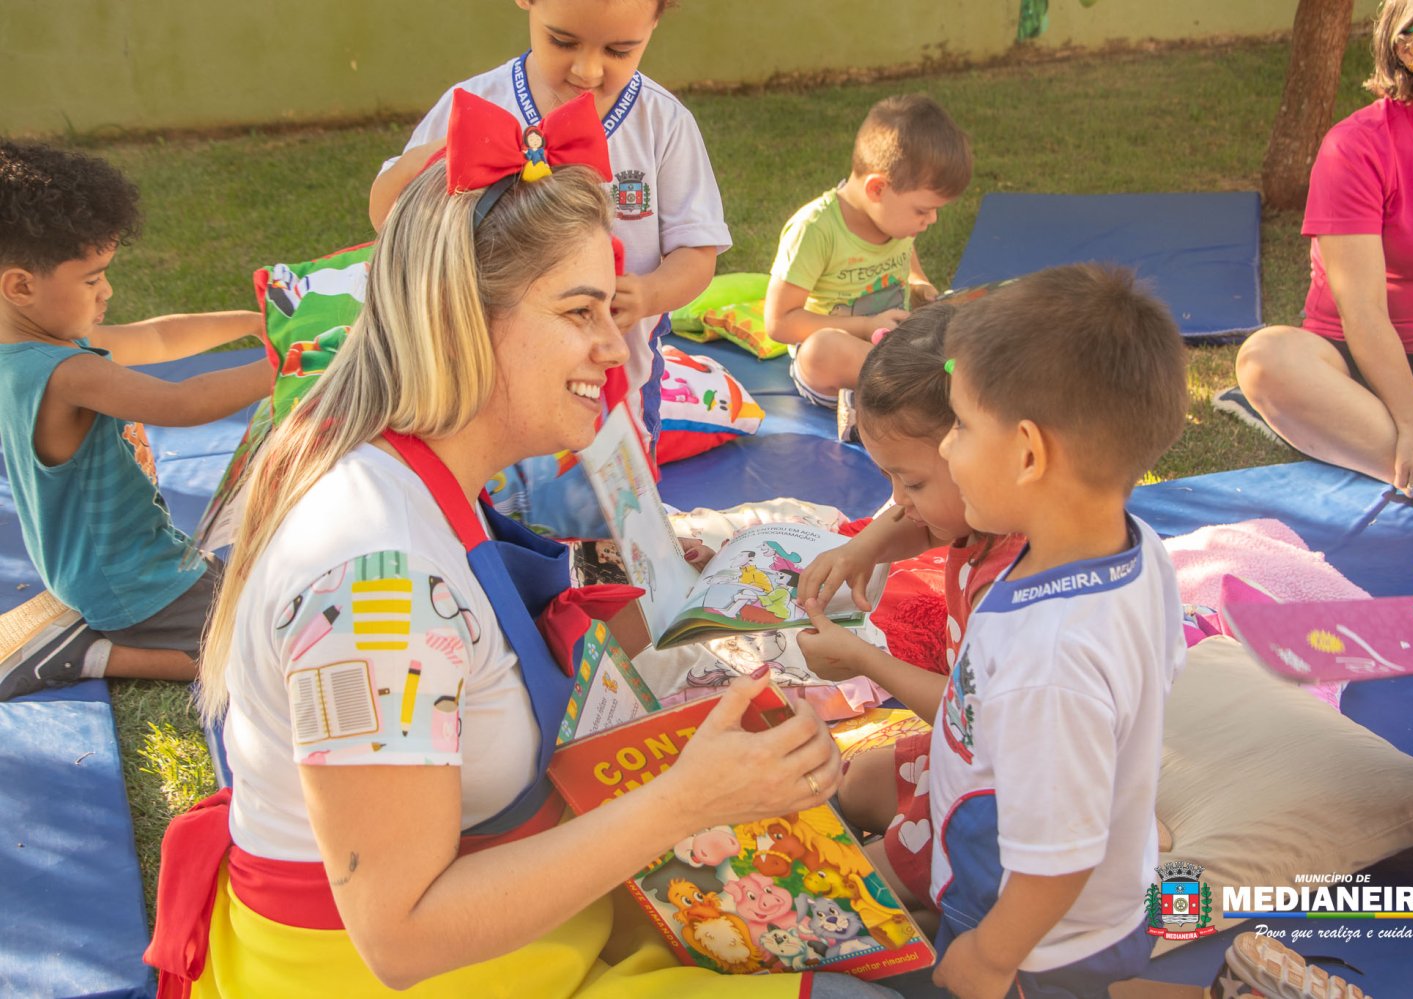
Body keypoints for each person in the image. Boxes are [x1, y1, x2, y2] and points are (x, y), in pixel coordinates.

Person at [145, 99, 885, 999]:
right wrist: (687, 799)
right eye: (580, 311)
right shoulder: (373, 580)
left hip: (528, 940)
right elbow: (402, 935)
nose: (612, 346)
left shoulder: (405, 472)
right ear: (460, 316)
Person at [927, 265, 1188, 999]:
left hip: (1036, 942)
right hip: (1080, 905)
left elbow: (1057, 862)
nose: (945, 449)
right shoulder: (1136, 544)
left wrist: (989, 958)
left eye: (960, 425)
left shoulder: (1049, 661)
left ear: (1029, 453)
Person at [368, 0, 729, 455]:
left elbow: (697, 252)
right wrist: (437, 155)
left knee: (609, 491)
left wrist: (650, 293)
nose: (587, 70)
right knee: (488, 485)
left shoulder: (664, 124)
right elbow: (390, 215)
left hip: (611, 382)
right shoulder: (475, 107)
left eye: (619, 50)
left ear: (655, 21)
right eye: (562, 41)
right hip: (483, 378)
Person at [0, 141, 269, 701]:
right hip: (130, 585)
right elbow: (184, 404)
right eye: (92, 280)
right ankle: (86, 654)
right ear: (21, 286)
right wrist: (291, 364)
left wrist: (253, 321)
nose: (108, 291)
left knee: (267, 601)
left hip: (117, 564)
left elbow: (158, 338)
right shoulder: (67, 373)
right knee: (268, 648)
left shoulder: (36, 346)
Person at [795, 303, 1024, 911]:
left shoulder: (1020, 590)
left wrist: (864, 660)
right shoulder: (989, 506)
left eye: (913, 482)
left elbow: (972, 720)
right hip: (967, 753)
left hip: (1008, 795)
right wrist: (863, 547)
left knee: (845, 896)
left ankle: (941, 907)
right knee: (858, 782)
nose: (898, 500)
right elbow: (924, 523)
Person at [1235, 1, 1413, 512]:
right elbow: (1363, 312)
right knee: (1266, 359)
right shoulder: (1357, 147)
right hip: (1369, 370)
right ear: (1408, 49)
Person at [764, 95, 970, 408]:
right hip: (843, 360)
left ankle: (910, 393)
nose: (932, 220)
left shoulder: (894, 222)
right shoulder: (815, 229)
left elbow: (906, 255)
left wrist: (918, 284)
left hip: (898, 348)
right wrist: (865, 327)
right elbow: (779, 322)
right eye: (923, 210)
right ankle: (925, 389)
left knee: (974, 317)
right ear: (877, 189)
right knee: (822, 351)